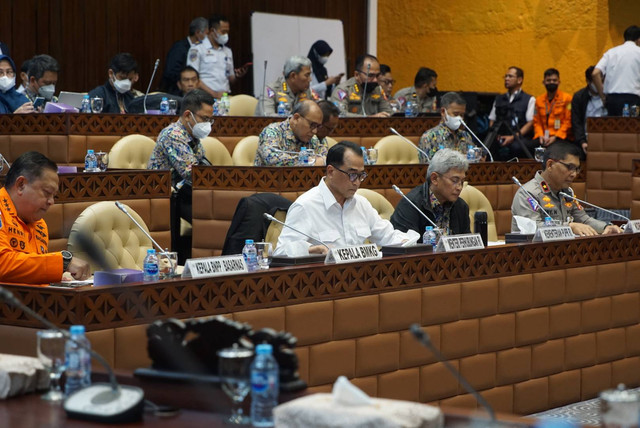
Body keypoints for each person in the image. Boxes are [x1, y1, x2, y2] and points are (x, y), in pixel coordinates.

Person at [274, 141, 418, 256]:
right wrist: (311, 249)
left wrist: (407, 241)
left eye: (361, 175)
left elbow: (388, 237)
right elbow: (280, 252)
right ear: (331, 171)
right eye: (352, 174)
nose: (357, 182)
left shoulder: (361, 203)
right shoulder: (305, 206)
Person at [0, 151, 90, 284]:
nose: (51, 202)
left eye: (54, 196)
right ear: (21, 185)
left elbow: (31, 270)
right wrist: (63, 263)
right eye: (47, 193)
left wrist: (57, 275)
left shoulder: (39, 224)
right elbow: (3, 265)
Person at [511, 142, 622, 236]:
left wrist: (606, 227)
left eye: (577, 169)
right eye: (570, 167)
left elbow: (584, 220)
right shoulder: (528, 193)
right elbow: (532, 229)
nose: (574, 174)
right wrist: (569, 227)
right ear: (550, 165)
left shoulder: (566, 192)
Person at [148, 89, 215, 223]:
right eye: (205, 119)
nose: (208, 124)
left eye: (210, 119)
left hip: (185, 193)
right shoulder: (173, 134)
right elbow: (192, 172)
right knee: (211, 214)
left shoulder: (192, 135)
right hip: (164, 195)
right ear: (187, 115)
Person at [390, 149, 471, 240]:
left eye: (462, 181)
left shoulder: (461, 207)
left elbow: (468, 247)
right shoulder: (410, 205)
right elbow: (405, 248)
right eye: (455, 181)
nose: (459, 187)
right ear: (434, 178)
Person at [187, 14, 248, 99]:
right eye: (223, 32)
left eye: (227, 32)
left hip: (225, 98)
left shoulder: (227, 51)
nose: (226, 35)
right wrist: (214, 94)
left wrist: (237, 76)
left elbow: (230, 79)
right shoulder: (197, 49)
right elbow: (193, 78)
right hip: (204, 97)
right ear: (212, 31)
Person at [254, 100, 327, 166]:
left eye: (318, 126)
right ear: (296, 118)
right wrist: (309, 161)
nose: (315, 131)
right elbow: (271, 159)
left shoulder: (313, 139)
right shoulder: (272, 132)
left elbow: (326, 157)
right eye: (312, 125)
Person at [487, 66, 536, 159]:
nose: (506, 79)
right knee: (487, 146)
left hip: (518, 137)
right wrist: (495, 135)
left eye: (510, 76)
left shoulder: (529, 99)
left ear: (519, 80)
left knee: (517, 148)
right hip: (499, 136)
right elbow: (492, 119)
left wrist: (513, 137)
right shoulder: (499, 99)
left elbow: (530, 123)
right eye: (505, 76)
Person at [592, 25, 640, 117]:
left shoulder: (611, 52)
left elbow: (595, 73)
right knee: (633, 128)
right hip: (633, 100)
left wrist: (602, 96)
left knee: (614, 129)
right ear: (638, 39)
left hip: (612, 100)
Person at [160, 17, 209, 96]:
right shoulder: (179, 48)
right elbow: (170, 72)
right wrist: (185, 81)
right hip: (175, 93)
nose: (209, 38)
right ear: (198, 33)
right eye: (207, 34)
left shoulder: (203, 49)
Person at [418, 92, 472, 162]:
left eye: (462, 115)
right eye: (456, 114)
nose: (460, 118)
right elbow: (426, 167)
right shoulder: (429, 137)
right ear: (443, 112)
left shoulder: (466, 136)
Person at [571, 66, 607, 157]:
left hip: (606, 139)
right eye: (597, 81)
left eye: (602, 81)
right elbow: (576, 122)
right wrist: (582, 142)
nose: (600, 84)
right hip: (586, 140)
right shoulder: (579, 97)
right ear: (588, 81)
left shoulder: (610, 96)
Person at [532, 68, 573, 147]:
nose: (551, 82)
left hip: (561, 138)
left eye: (554, 80)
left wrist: (556, 137)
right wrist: (540, 135)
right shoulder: (538, 100)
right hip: (543, 137)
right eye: (548, 80)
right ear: (543, 82)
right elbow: (537, 122)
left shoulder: (567, 99)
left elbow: (568, 122)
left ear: (559, 82)